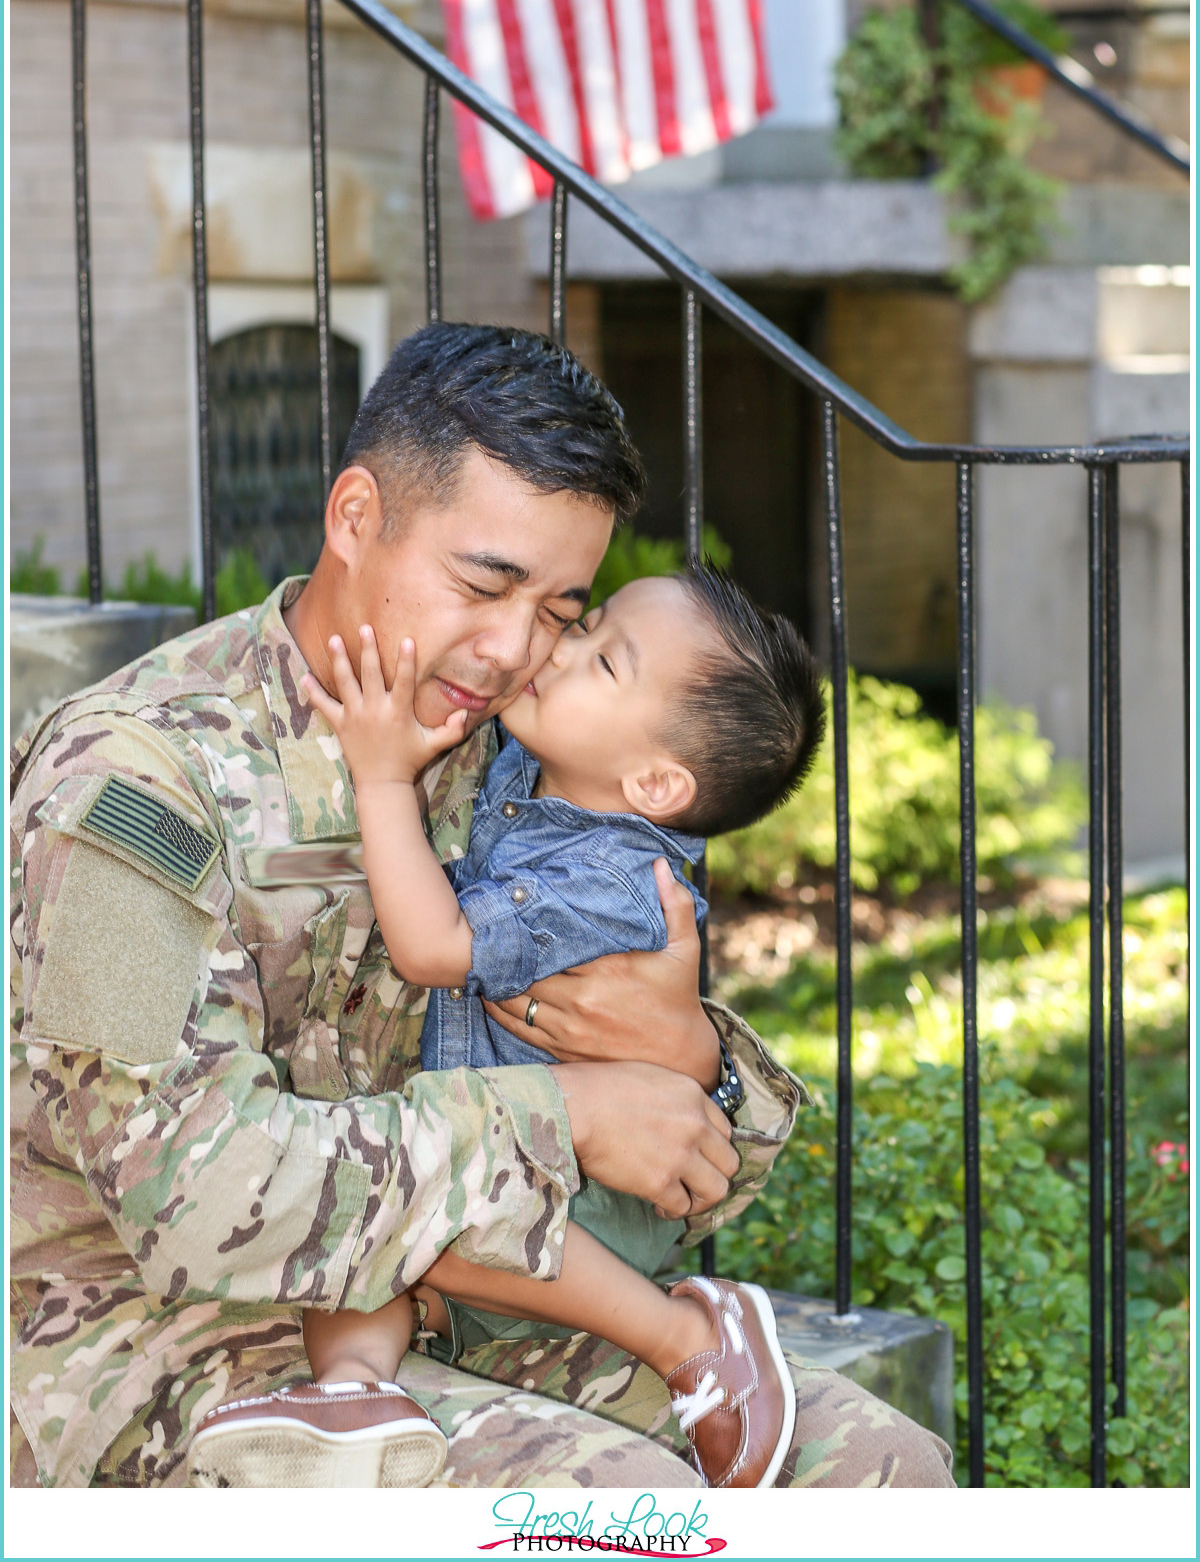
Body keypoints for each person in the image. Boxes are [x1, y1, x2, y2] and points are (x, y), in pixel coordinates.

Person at [10, 323, 956, 1489]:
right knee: (620, 1514)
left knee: (881, 1473)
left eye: (563, 609)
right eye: (483, 583)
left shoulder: (513, 753)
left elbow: (694, 1165)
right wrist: (560, 1115)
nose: (517, 648)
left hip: (467, 1303)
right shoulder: (128, 788)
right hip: (156, 1336)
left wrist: (686, 1055)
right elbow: (196, 1199)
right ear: (356, 517)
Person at [188, 564, 826, 1490]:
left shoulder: (603, 882)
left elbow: (435, 948)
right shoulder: (543, 769)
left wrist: (380, 777)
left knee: (420, 1217)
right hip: (500, 1157)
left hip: (587, 1193)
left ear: (652, 781)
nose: (556, 648)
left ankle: (690, 1336)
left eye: (602, 661)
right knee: (367, 1252)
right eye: (586, 621)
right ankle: (354, 1396)